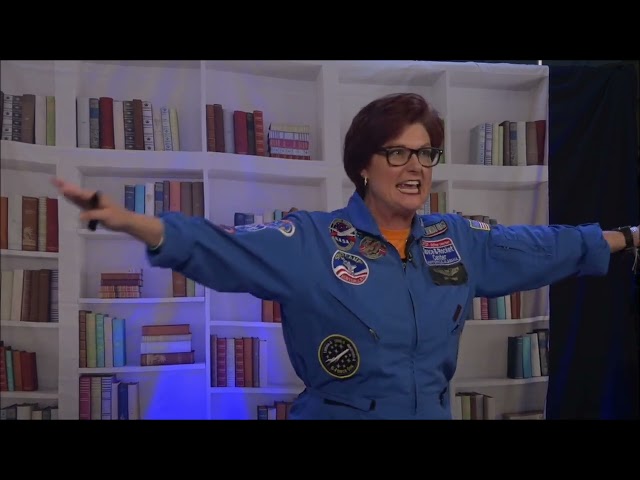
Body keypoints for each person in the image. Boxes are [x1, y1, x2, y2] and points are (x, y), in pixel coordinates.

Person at [53, 92, 640, 420]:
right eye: (397, 153)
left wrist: (628, 238)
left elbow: (543, 247)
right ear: (363, 165)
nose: (415, 168)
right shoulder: (311, 240)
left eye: (426, 154)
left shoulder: (456, 239)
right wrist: (134, 221)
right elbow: (221, 248)